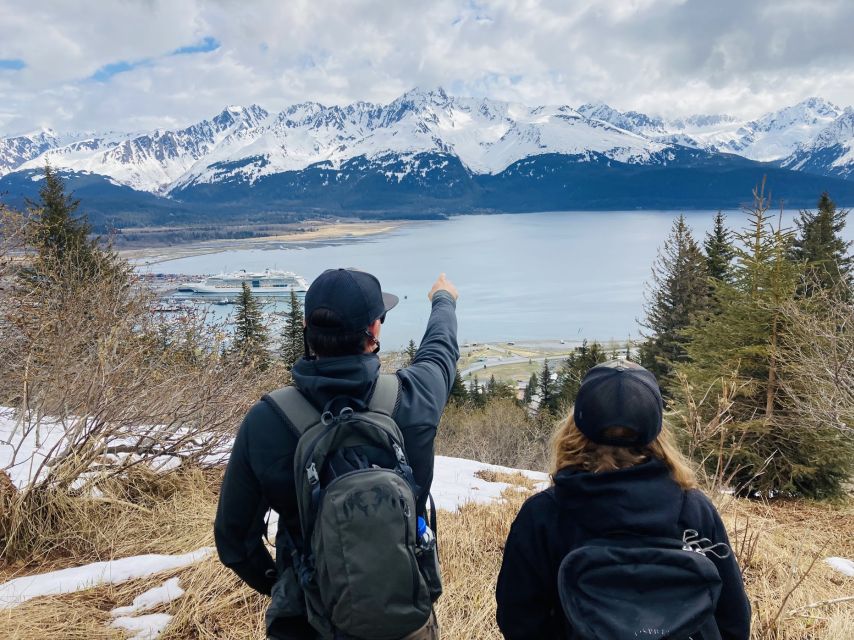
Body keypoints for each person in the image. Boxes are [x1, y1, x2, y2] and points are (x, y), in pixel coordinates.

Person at [215, 268, 459, 640]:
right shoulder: (412, 399)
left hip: (309, 624)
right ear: (374, 331)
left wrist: (291, 582)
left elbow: (234, 540)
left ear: (307, 329)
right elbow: (440, 352)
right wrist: (443, 299)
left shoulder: (268, 420)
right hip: (404, 615)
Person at [496, 360, 751, 640]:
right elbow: (734, 619)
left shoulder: (543, 514)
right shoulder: (693, 509)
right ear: (658, 431)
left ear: (575, 426)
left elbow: (518, 619)